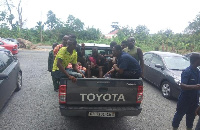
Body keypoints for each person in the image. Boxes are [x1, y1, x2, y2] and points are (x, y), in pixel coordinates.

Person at [172, 53, 200, 130]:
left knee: (191, 117)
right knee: (179, 115)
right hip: (185, 99)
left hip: (194, 100)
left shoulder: (198, 71)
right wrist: (195, 87)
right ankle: (174, 128)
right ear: (196, 60)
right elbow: (183, 86)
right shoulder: (187, 71)